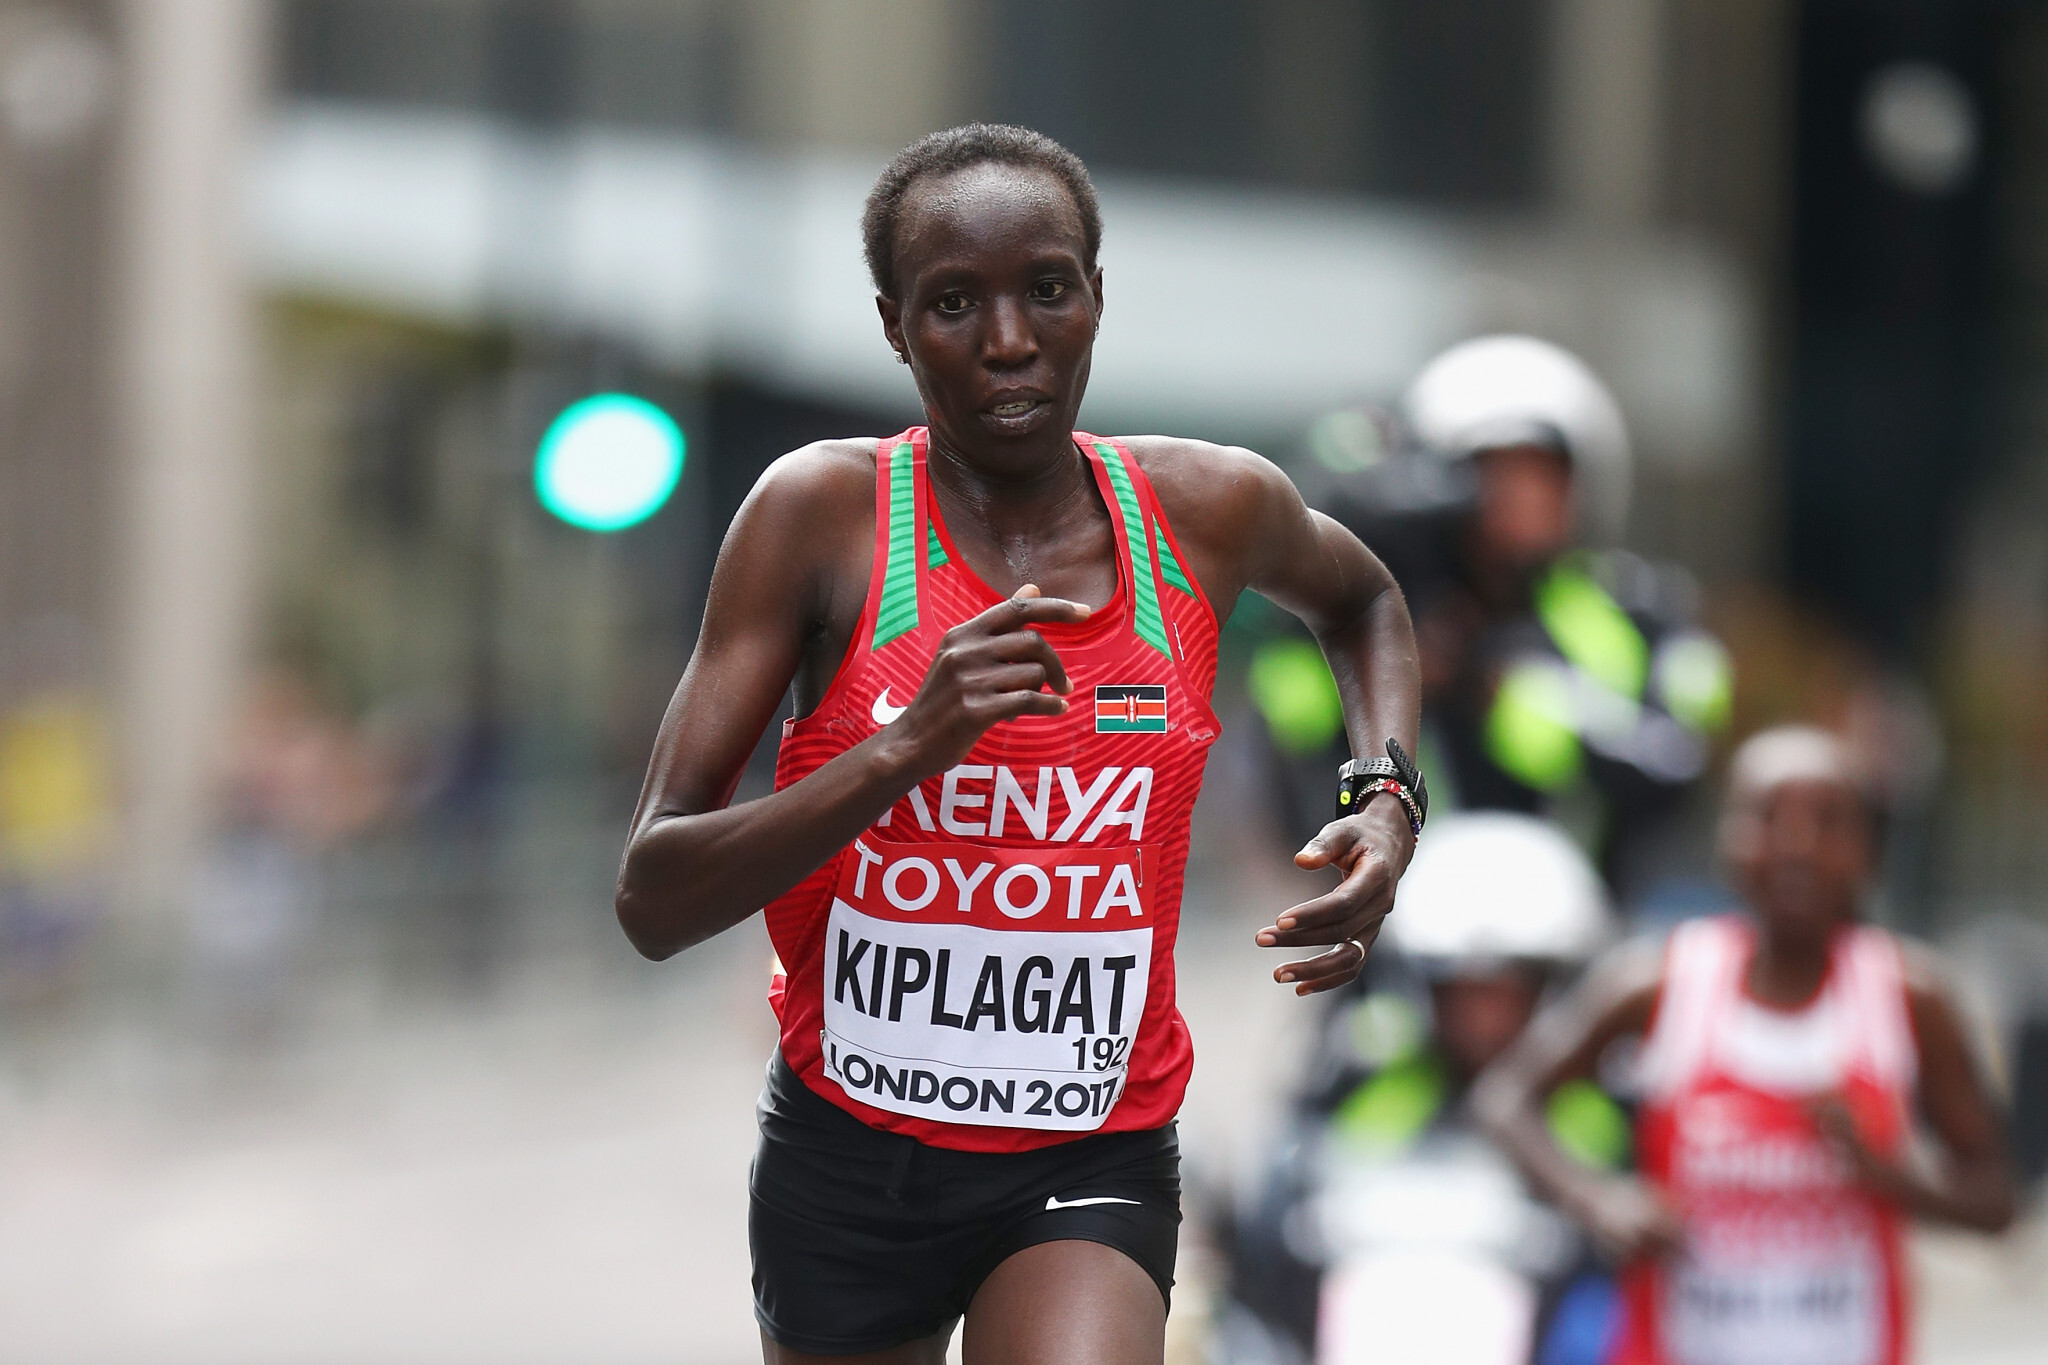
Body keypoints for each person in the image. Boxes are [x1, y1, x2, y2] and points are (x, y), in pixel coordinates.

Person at [614, 124, 1423, 1364]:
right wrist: (901, 750)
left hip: (1088, 1149)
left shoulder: (1207, 510)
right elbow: (654, 896)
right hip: (851, 1159)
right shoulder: (819, 517)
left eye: (1046, 289)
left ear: (1095, 297)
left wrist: (1383, 799)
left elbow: (1362, 600)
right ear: (893, 328)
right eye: (953, 304)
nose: (1007, 341)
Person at [1476, 726, 2016, 1365]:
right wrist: (1598, 1199)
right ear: (1726, 840)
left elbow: (1996, 1201)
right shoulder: (1661, 985)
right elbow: (1505, 1099)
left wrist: (1888, 1173)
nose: (1797, 845)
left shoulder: (1908, 997)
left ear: (1868, 852)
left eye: (1828, 821)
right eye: (1767, 817)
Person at [1305, 337, 1732, 895]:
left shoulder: (1637, 610)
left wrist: (1506, 697)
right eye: (1490, 474)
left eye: (1540, 474)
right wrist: (1387, 675)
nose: (1517, 497)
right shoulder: (1390, 616)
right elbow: (1296, 742)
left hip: (1589, 909)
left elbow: (1675, 766)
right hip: (1404, 915)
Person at [1227, 813, 1627, 1362]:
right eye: (1462, 990)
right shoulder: (1365, 1082)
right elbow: (1280, 1204)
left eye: (1505, 991)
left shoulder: (1598, 1110)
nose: (1483, 1019)